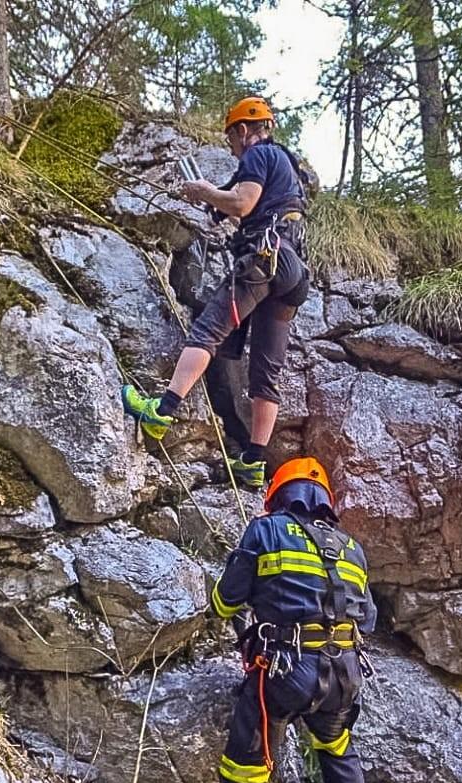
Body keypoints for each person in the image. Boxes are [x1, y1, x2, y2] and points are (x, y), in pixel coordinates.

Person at [193, 457, 379, 783]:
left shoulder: (265, 530)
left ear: (277, 493)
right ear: (325, 502)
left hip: (285, 674)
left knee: (246, 765)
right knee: (335, 746)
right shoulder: (351, 547)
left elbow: (225, 602)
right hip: (344, 676)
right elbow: (367, 618)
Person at [120, 96, 313, 490]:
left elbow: (242, 203)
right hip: (292, 274)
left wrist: (206, 191)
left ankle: (162, 410)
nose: (231, 145)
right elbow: (235, 202)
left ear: (243, 130)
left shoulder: (259, 155)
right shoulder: (285, 166)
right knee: (266, 371)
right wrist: (211, 199)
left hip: (264, 258)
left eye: (231, 137)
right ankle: (255, 461)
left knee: (207, 331)